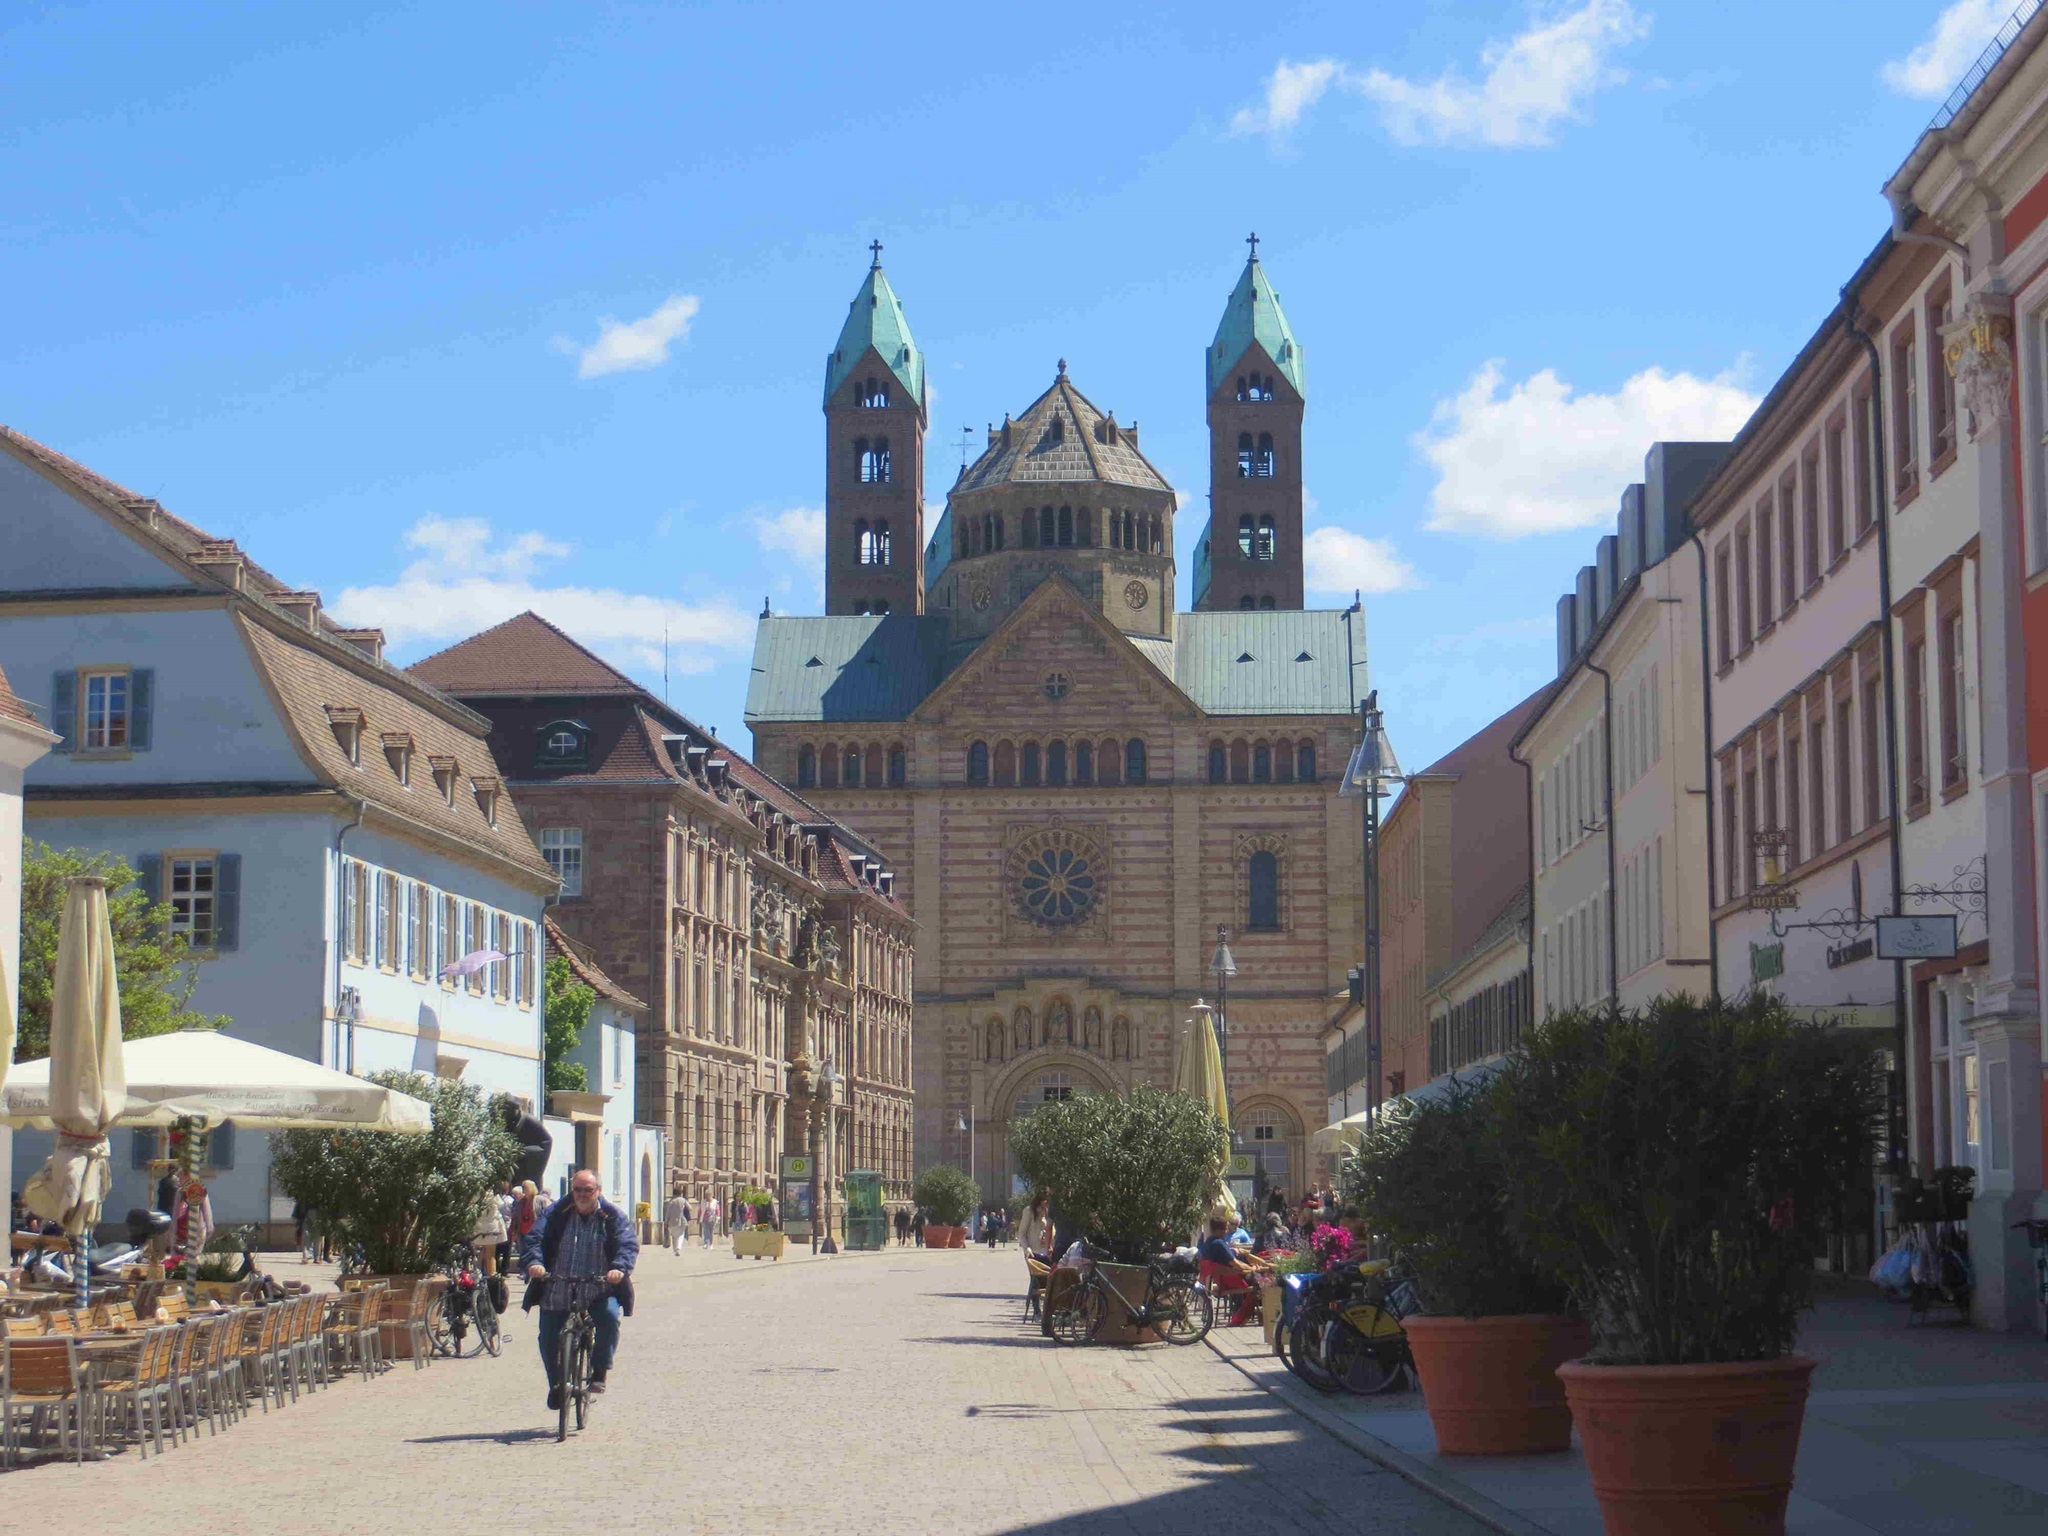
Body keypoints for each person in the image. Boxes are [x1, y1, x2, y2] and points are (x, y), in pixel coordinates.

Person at [521, 1168, 638, 1412]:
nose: (582, 1194)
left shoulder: (612, 1215)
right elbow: (534, 1238)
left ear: (598, 1191)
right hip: (558, 1286)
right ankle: (557, 1385)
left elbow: (627, 1244)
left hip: (598, 1287)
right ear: (571, 1190)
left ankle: (599, 1371)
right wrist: (535, 1263)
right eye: (578, 1190)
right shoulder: (555, 1213)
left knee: (608, 1318)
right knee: (548, 1336)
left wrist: (619, 1268)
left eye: (588, 1190)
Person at [1196, 1216, 1258, 1327]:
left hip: (1221, 1279)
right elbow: (1236, 1264)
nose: (1227, 1231)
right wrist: (1252, 1268)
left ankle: (1239, 1311)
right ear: (1219, 1230)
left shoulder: (1208, 1243)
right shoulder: (1219, 1244)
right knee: (1259, 1282)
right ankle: (1244, 1315)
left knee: (1253, 1276)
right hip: (1231, 1280)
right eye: (1226, 1228)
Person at [1017, 1192, 1052, 1259]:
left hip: (1046, 1252)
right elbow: (1022, 1233)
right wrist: (1027, 1248)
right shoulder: (1029, 1211)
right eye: (1041, 1206)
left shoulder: (1048, 1212)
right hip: (1033, 1251)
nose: (1043, 1209)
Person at [664, 1189, 689, 1256]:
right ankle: (678, 1247)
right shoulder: (683, 1200)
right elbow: (690, 1208)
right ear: (680, 1194)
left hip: (672, 1221)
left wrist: (666, 1222)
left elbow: (668, 1213)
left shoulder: (671, 1202)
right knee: (681, 1234)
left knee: (674, 1236)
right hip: (682, 1220)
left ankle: (675, 1250)